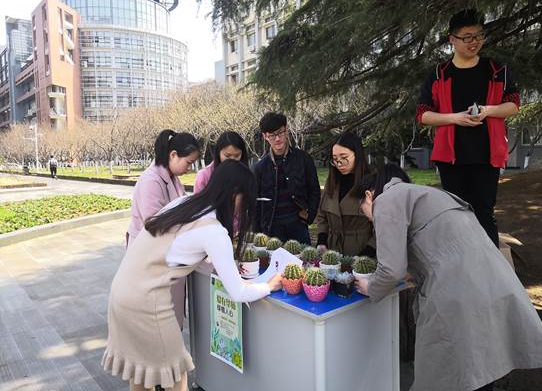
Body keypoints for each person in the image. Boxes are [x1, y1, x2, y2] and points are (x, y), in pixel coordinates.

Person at [355, 164, 542, 391]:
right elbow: (441, 244)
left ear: (369, 195)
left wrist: (371, 286)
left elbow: (391, 270)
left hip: (457, 292)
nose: (369, 219)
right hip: (493, 281)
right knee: (482, 367)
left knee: (451, 370)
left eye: (363, 212)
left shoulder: (387, 198)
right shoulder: (429, 194)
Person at [103, 161, 283, 391]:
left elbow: (179, 249)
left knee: (142, 374)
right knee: (176, 378)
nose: (243, 207)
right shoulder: (214, 232)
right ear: (234, 194)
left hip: (121, 293)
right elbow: (238, 292)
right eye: (245, 198)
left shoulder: (184, 204)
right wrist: (270, 285)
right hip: (147, 304)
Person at [416, 8, 520, 248]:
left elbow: (514, 104)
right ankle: (459, 266)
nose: (474, 42)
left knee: (484, 212)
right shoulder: (439, 74)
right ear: (452, 39)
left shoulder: (496, 70)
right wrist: (454, 118)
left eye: (479, 35)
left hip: (487, 155)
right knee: (455, 213)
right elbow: (423, 115)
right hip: (451, 157)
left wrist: (488, 110)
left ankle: (489, 271)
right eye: (467, 37)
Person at [127, 129, 200, 333]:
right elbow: (155, 224)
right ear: (173, 155)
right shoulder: (151, 181)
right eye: (188, 162)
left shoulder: (171, 177)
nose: (189, 168)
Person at [254, 112, 321, 244]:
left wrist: (310, 215)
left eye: (280, 133)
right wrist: (258, 232)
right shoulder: (260, 167)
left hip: (298, 224)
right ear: (265, 136)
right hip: (272, 228)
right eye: (272, 135)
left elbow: (314, 190)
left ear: (287, 130)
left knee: (304, 262)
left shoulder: (303, 159)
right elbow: (256, 203)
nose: (277, 139)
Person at [315, 132, 374, 256]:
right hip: (332, 252)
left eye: (344, 157)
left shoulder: (372, 183)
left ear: (357, 155)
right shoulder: (332, 182)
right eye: (335, 159)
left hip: (361, 252)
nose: (339, 163)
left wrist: (368, 253)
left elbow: (382, 226)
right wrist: (321, 241)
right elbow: (322, 216)